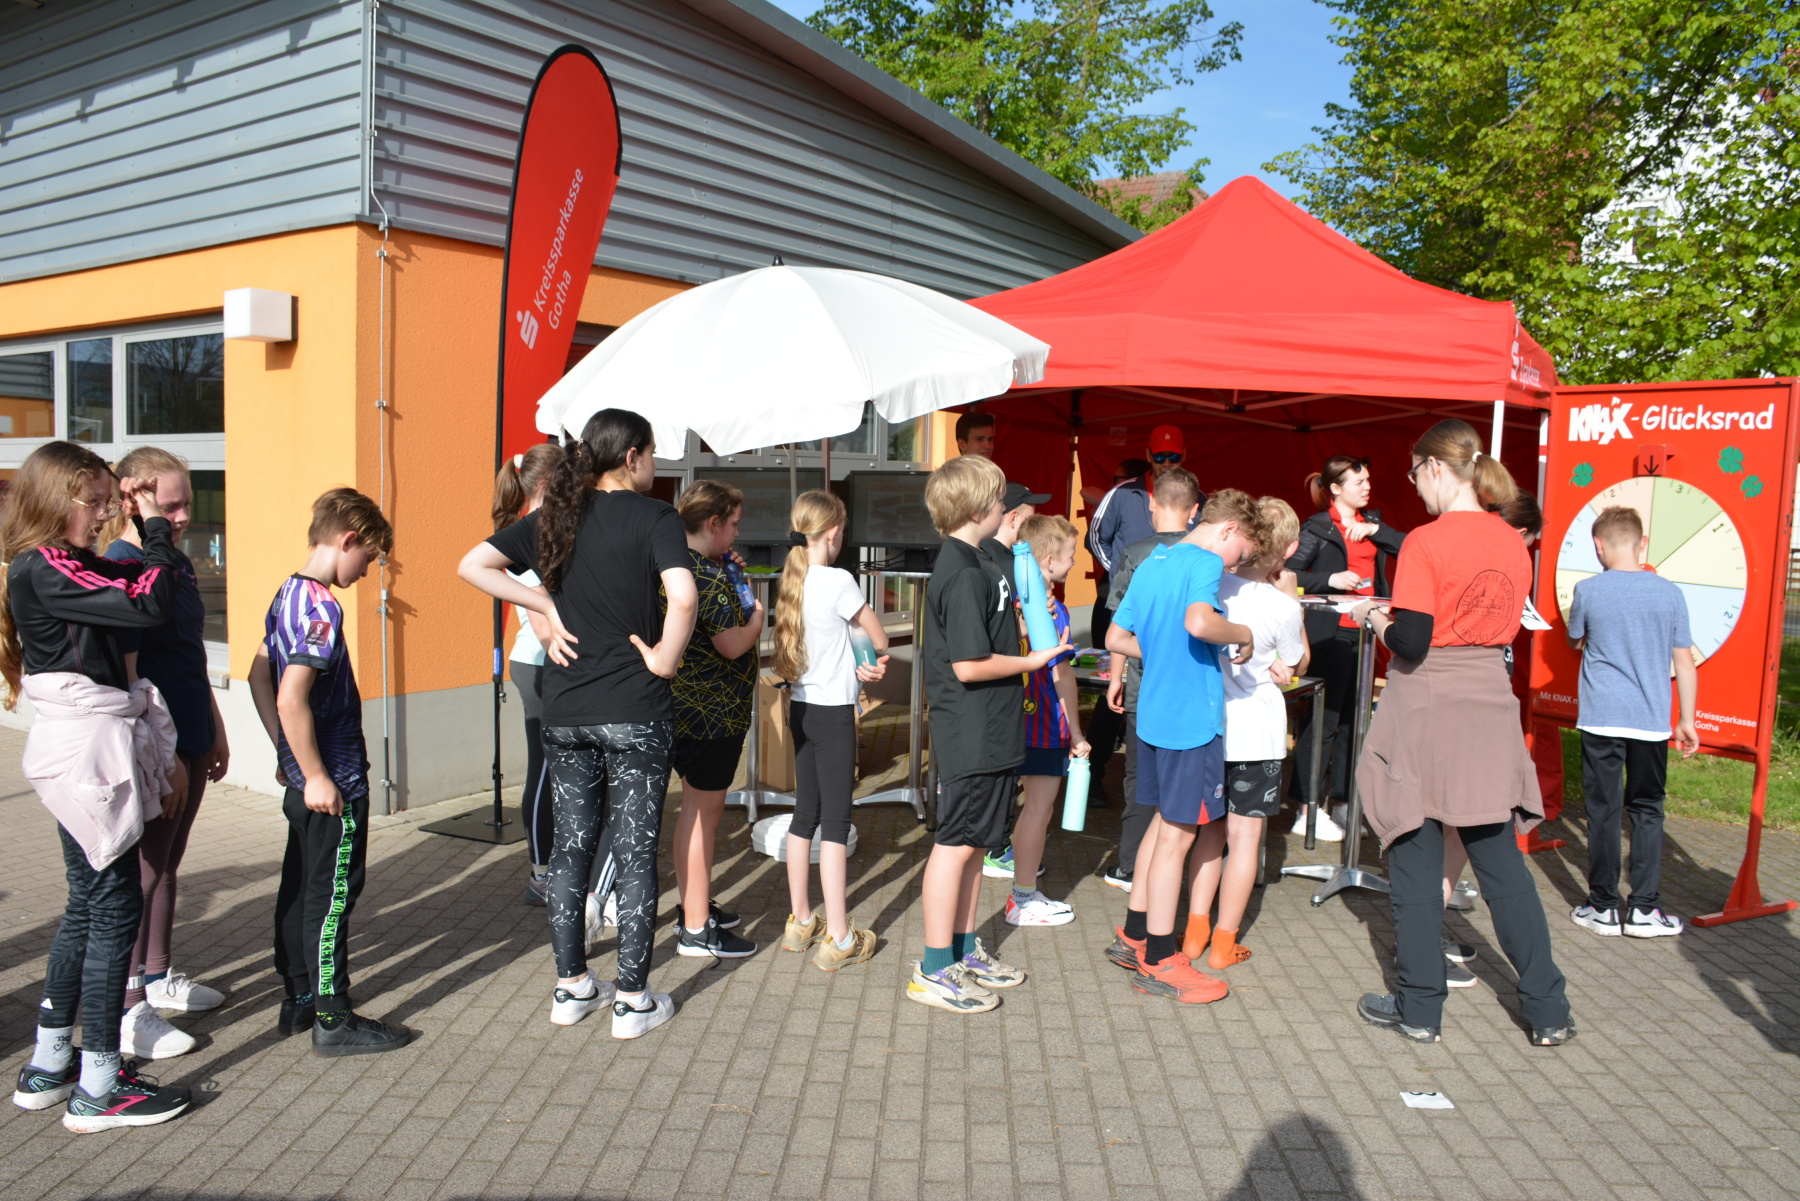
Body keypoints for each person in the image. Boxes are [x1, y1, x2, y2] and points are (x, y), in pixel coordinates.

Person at [459, 409, 695, 1039]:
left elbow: (472, 565)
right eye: (652, 452)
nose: (655, 464)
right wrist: (666, 659)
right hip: (636, 709)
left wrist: (540, 600)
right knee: (636, 855)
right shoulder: (657, 517)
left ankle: (571, 988)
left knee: (570, 851)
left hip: (566, 711)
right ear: (632, 457)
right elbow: (684, 596)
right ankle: (633, 1000)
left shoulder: (556, 516)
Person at [1350, 419, 1574, 1047]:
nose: (1415, 487)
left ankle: (1420, 1008)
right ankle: (1548, 1010)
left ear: (1435, 468)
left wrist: (1373, 618)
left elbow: (1413, 640)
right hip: (1489, 705)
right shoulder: (1512, 541)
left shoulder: (1426, 541)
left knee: (1416, 860)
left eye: (1414, 474)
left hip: (1429, 705)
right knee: (1503, 867)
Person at [4, 442, 192, 1132]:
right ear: (57, 500)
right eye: (95, 501)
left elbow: (136, 584)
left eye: (108, 501)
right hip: (85, 752)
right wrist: (154, 527)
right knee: (112, 908)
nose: (104, 513)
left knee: (87, 904)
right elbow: (147, 603)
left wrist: (140, 520)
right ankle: (100, 1086)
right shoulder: (44, 563)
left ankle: (51, 1062)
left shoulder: (59, 560)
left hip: (85, 746)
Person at [248, 488, 410, 1058]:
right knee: (332, 897)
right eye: (368, 557)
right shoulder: (321, 607)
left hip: (306, 779)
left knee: (300, 887)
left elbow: (258, 675)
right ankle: (333, 1019)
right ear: (348, 540)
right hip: (333, 784)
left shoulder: (285, 594)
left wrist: (287, 755)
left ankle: (298, 999)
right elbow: (290, 695)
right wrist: (315, 774)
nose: (366, 571)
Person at [907, 455, 1066, 1013]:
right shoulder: (961, 571)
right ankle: (934, 968)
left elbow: (989, 634)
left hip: (995, 729)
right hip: (970, 732)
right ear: (978, 508)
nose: (1006, 507)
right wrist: (1034, 660)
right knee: (955, 846)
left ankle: (963, 948)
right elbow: (969, 665)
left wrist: (1025, 624)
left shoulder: (981, 562)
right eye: (999, 499)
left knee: (976, 845)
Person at [1104, 489, 1262, 1004]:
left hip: (1154, 715)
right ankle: (1159, 958)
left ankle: (1135, 934)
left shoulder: (1154, 560)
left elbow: (1115, 638)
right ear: (1229, 530)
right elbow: (1199, 621)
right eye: (1240, 554)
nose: (1234, 566)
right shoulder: (1203, 561)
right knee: (1177, 838)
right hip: (1192, 721)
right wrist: (1241, 632)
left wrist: (1163, 651)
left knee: (1161, 826)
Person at [102, 448, 230, 1061]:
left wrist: (215, 726)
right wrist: (167, 753)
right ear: (135, 496)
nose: (180, 517)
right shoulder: (124, 566)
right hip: (158, 744)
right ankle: (129, 1006)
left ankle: (158, 975)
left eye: (185, 504)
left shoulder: (175, 562)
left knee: (169, 865)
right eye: (169, 505)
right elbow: (129, 675)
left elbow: (190, 653)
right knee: (145, 872)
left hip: (192, 733)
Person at [1183, 497, 1307, 968]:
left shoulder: (1213, 585)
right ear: (1288, 550)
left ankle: (1194, 931)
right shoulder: (1282, 606)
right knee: (1246, 840)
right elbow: (1296, 664)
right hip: (1258, 731)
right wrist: (1292, 600)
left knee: (1209, 833)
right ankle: (1223, 942)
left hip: (1214, 726)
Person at [1567, 505, 1699, 938]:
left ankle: (1602, 906)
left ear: (1598, 546)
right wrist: (1687, 719)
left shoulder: (1588, 590)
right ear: (1643, 543)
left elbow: (1574, 639)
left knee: (1603, 813)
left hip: (1601, 718)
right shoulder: (1670, 593)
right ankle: (1645, 909)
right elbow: (1684, 662)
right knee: (1647, 811)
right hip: (1651, 721)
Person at [773, 490, 888, 970]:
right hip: (835, 713)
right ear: (834, 533)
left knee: (806, 816)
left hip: (802, 709)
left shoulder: (793, 577)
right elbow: (878, 636)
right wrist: (867, 654)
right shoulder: (840, 580)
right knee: (836, 825)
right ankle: (839, 937)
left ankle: (800, 921)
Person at [1285, 455, 1407, 841]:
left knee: (1357, 722)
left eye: (1368, 480)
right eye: (1359, 482)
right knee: (1325, 721)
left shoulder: (1374, 522)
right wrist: (1331, 579)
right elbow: (1289, 574)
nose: (1367, 487)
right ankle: (1306, 808)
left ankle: (1342, 801)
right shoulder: (1318, 526)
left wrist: (1375, 530)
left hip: (1367, 634)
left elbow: (1408, 546)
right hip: (1331, 633)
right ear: (1335, 489)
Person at [667, 480, 764, 959]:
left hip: (688, 710)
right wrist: (758, 617)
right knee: (702, 820)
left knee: (693, 814)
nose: (737, 533)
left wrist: (730, 574)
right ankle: (695, 929)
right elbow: (731, 644)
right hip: (712, 716)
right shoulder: (705, 578)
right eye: (733, 524)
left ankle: (694, 905)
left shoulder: (678, 565)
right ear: (712, 523)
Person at [1099, 467, 1202, 892]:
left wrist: (1115, 677)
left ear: (1152, 503)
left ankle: (1130, 866)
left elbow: (1120, 623)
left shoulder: (1137, 553)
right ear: (1195, 511)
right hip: (1192, 689)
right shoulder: (1205, 556)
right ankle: (1175, 866)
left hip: (1145, 688)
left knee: (1140, 779)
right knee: (1184, 780)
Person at [492, 444, 566, 906]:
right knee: (542, 769)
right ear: (544, 485)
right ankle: (540, 873)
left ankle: (554, 865)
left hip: (544, 662)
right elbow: (542, 622)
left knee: (554, 768)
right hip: (539, 663)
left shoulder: (547, 531)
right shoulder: (526, 536)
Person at [1006, 514, 1088, 926]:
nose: (1075, 563)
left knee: (1029, 808)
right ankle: (1022, 898)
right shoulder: (1054, 611)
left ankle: (1021, 890)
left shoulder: (1008, 603)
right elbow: (1063, 675)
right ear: (1050, 561)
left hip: (1012, 720)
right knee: (1038, 809)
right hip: (1043, 725)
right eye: (1071, 555)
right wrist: (1076, 732)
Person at [978, 479, 1049, 881]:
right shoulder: (999, 562)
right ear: (1015, 516)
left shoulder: (1005, 559)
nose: (1035, 520)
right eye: (1032, 513)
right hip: (998, 688)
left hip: (1007, 683)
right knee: (1000, 773)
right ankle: (996, 848)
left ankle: (995, 844)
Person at [1085, 456, 1152, 786]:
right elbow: (1094, 536)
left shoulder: (1188, 499)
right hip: (1114, 605)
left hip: (1155, 615)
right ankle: (1094, 772)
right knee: (1114, 688)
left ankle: (1138, 772)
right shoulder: (1120, 497)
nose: (1114, 485)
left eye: (1119, 479)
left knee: (1140, 689)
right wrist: (1121, 573)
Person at [1087, 427, 1201, 581]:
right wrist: (1120, 571)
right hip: (1129, 591)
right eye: (1159, 457)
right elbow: (1096, 537)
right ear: (1148, 455)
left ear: (1184, 455)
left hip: (1177, 590)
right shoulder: (1122, 493)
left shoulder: (1198, 498)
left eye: (1174, 457)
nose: (1167, 463)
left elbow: (1210, 543)